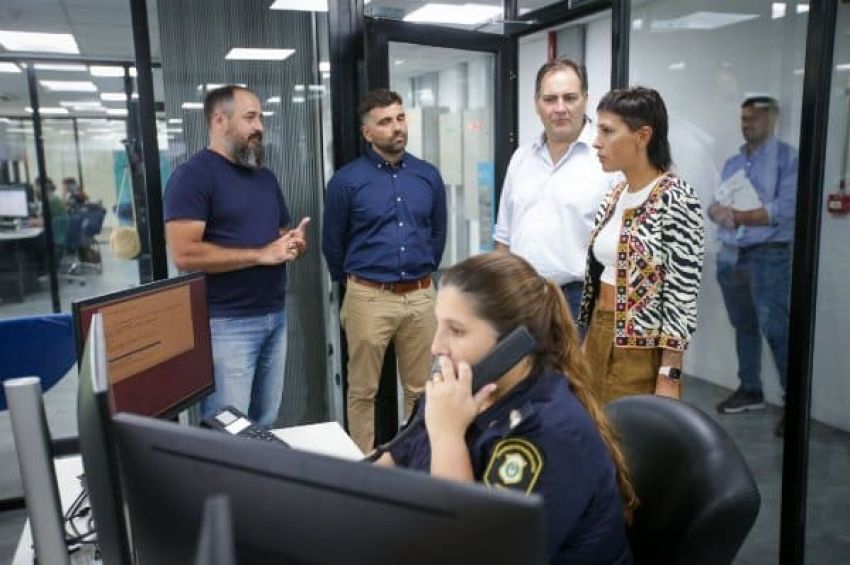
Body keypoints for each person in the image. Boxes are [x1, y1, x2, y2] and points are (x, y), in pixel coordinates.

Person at [376, 252, 636, 564]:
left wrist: (448, 437)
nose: (436, 346)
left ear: (514, 343)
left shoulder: (550, 433)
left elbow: (470, 555)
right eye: (438, 325)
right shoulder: (460, 390)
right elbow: (394, 460)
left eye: (456, 331)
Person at [164, 85, 309, 426]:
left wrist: (290, 243)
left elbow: (274, 236)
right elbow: (184, 254)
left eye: (260, 117)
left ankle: (254, 481)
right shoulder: (192, 177)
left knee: (263, 421)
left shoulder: (265, 178)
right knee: (227, 429)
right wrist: (261, 255)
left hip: (274, 316)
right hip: (227, 324)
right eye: (250, 117)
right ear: (219, 120)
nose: (259, 126)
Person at [322, 88, 447, 453]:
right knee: (363, 391)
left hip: (421, 296)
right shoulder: (346, 182)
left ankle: (411, 459)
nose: (397, 128)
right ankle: (364, 467)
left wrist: (422, 273)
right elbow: (334, 244)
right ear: (368, 133)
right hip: (367, 296)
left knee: (421, 389)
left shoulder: (428, 176)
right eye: (385, 122)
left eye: (400, 118)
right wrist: (356, 286)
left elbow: (437, 233)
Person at [579, 87, 705, 404]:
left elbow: (682, 294)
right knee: (592, 434)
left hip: (640, 350)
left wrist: (669, 375)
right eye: (598, 130)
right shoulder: (615, 193)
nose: (597, 141)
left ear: (643, 135)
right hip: (598, 332)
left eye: (608, 131)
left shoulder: (676, 198)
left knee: (628, 444)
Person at [493, 58, 619, 322]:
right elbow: (503, 239)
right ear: (536, 104)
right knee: (523, 366)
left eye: (570, 98)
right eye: (550, 99)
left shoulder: (611, 159)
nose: (560, 108)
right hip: (522, 296)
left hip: (581, 301)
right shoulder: (521, 158)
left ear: (585, 99)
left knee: (574, 366)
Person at [709, 96, 797, 435]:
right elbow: (715, 203)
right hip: (732, 254)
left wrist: (738, 216)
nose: (747, 125)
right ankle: (750, 389)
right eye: (744, 118)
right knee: (743, 324)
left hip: (768, 255)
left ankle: (794, 402)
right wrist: (717, 212)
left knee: (776, 330)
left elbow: (784, 210)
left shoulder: (787, 159)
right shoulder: (733, 162)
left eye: (755, 119)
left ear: (773, 119)